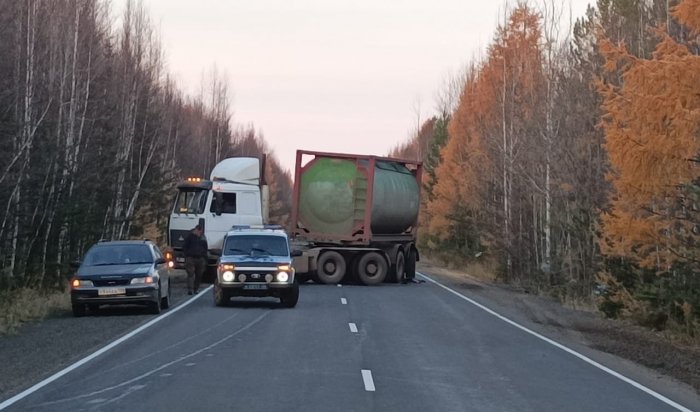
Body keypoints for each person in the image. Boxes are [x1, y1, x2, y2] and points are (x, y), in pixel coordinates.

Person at [183, 225, 208, 295]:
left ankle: (196, 288)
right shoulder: (189, 237)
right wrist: (187, 255)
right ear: (196, 230)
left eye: (201, 231)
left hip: (200, 258)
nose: (200, 233)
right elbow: (185, 246)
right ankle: (190, 289)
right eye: (199, 231)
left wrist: (205, 257)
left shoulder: (202, 238)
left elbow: (205, 247)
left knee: (199, 274)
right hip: (190, 258)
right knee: (190, 273)